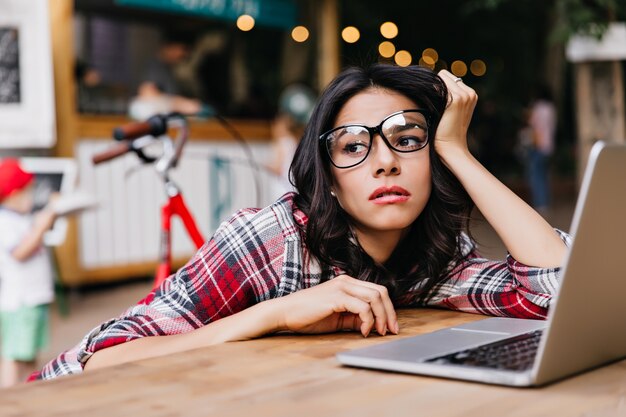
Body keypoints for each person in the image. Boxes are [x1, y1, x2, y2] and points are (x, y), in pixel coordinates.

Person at [32, 65, 569, 381]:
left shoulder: (436, 256)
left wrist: (457, 147)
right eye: (354, 146)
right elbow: (99, 361)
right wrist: (276, 312)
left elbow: (558, 292)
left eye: (408, 140)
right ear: (329, 179)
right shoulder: (270, 239)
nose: (385, 161)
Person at [0, 159, 57, 386]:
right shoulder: (4, 222)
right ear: (14, 194)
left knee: (29, 351)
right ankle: (8, 398)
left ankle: (30, 390)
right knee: (14, 355)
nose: (33, 198)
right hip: (20, 301)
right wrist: (41, 227)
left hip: (34, 298)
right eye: (29, 192)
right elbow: (20, 252)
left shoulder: (19, 219)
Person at [524, 85, 557, 213]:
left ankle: (540, 203)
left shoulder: (537, 107)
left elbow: (533, 125)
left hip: (538, 145)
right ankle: (545, 203)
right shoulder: (551, 108)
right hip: (549, 146)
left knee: (536, 176)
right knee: (544, 176)